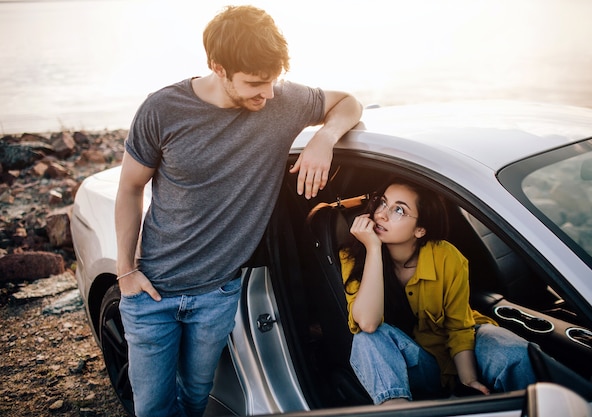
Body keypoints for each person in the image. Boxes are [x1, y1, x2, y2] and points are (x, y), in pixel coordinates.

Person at [114, 5, 362, 417]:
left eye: (271, 83)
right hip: (152, 293)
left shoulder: (279, 100)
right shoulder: (161, 110)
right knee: (153, 409)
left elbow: (349, 102)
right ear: (218, 67)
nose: (265, 96)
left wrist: (325, 137)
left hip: (218, 295)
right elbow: (129, 188)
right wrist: (125, 271)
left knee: (196, 399)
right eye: (253, 85)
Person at [340, 179, 536, 405]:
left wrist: (468, 382)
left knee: (512, 350)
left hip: (460, 350)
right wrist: (373, 248)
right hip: (417, 363)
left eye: (399, 210)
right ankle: (397, 409)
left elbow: (459, 327)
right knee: (367, 339)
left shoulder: (447, 257)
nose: (381, 215)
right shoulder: (353, 256)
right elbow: (367, 323)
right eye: (382, 203)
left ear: (420, 229)